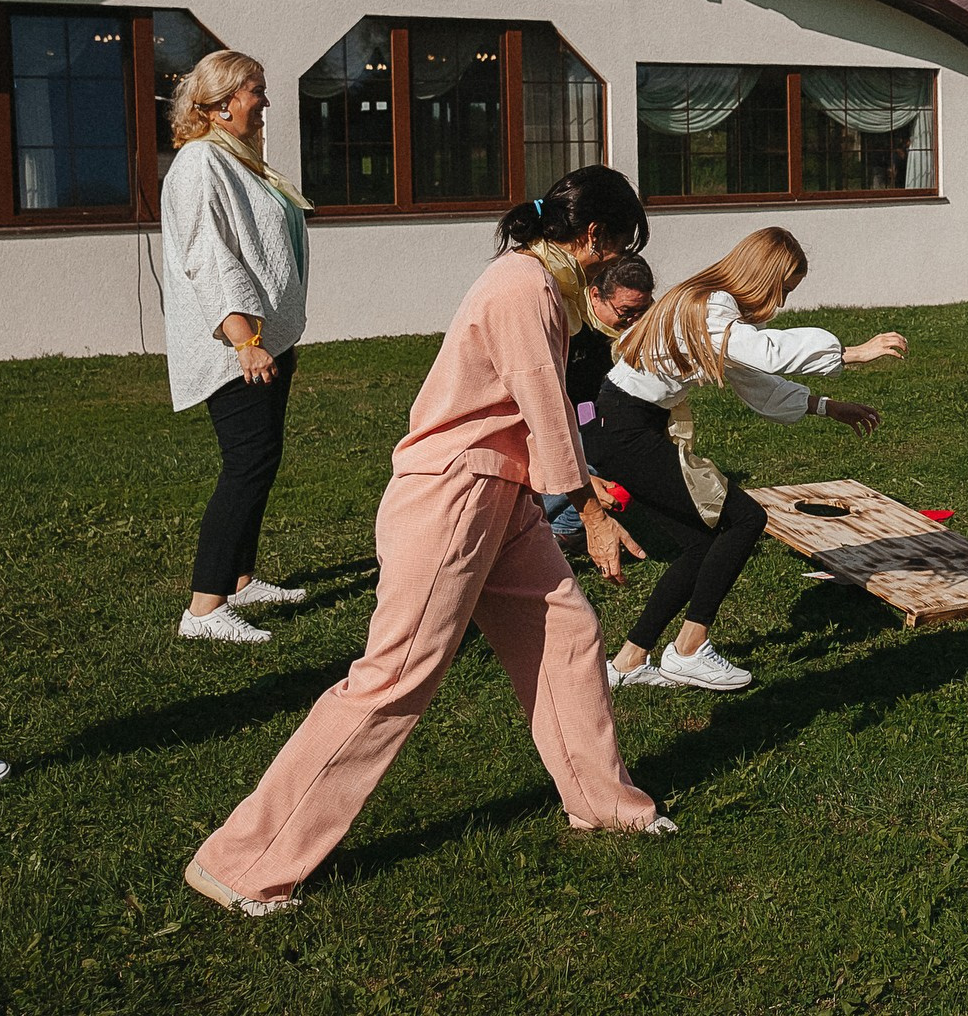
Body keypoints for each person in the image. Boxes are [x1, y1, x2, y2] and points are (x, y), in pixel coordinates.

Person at [186, 166, 670, 917]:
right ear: (593, 236)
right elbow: (546, 407)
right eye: (618, 247)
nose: (616, 263)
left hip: (495, 490)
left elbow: (529, 416)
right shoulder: (526, 288)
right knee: (393, 680)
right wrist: (589, 508)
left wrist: (582, 487)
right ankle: (242, 863)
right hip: (455, 497)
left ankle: (605, 803)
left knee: (568, 634)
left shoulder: (538, 283)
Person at [597, 228, 902, 691]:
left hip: (624, 424)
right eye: (783, 289)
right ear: (763, 277)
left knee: (701, 544)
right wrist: (851, 352)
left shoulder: (707, 306)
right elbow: (765, 354)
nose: (780, 302)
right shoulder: (710, 305)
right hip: (627, 430)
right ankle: (688, 649)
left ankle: (628, 662)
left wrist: (826, 406)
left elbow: (753, 379)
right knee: (744, 520)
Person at [160, 50, 313, 644]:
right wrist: (245, 340)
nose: (265, 101)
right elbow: (210, 258)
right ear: (222, 104)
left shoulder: (235, 158)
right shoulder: (201, 163)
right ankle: (204, 608)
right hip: (237, 345)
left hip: (262, 340)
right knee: (247, 463)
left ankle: (240, 580)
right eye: (256, 90)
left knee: (261, 459)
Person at [548, 254, 656, 552]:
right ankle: (553, 529)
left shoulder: (628, 334)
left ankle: (565, 529)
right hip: (554, 425)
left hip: (594, 415)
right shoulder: (568, 327)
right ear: (595, 296)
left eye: (644, 310)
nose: (634, 320)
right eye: (626, 311)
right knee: (593, 459)